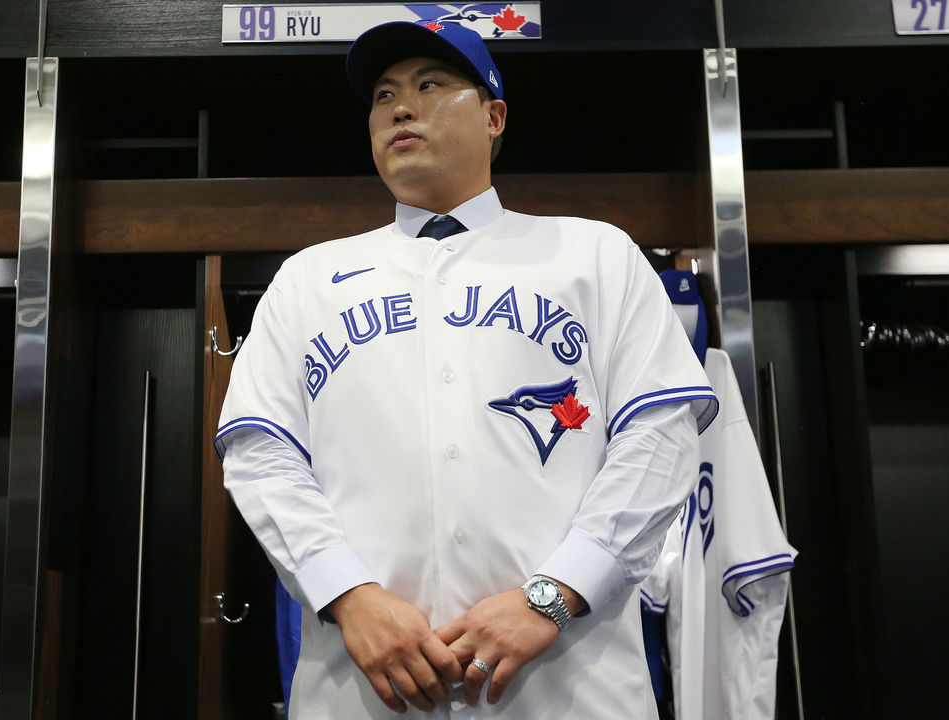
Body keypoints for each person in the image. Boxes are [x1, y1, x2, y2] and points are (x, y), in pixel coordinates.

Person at [216, 19, 718, 719]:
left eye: (430, 85)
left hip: (568, 685)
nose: (400, 106)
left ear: (493, 116)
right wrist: (348, 595)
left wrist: (553, 596)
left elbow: (661, 442)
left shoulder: (595, 255)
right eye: (384, 94)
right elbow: (260, 456)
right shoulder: (308, 279)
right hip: (366, 690)